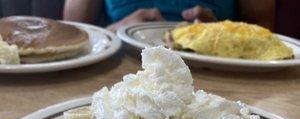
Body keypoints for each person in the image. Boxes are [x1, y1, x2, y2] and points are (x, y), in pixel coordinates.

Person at [63, 0, 276, 32]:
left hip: (219, 72)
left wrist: (221, 35)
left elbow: (263, 25)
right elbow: (74, 33)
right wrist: (117, 31)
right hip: (116, 68)